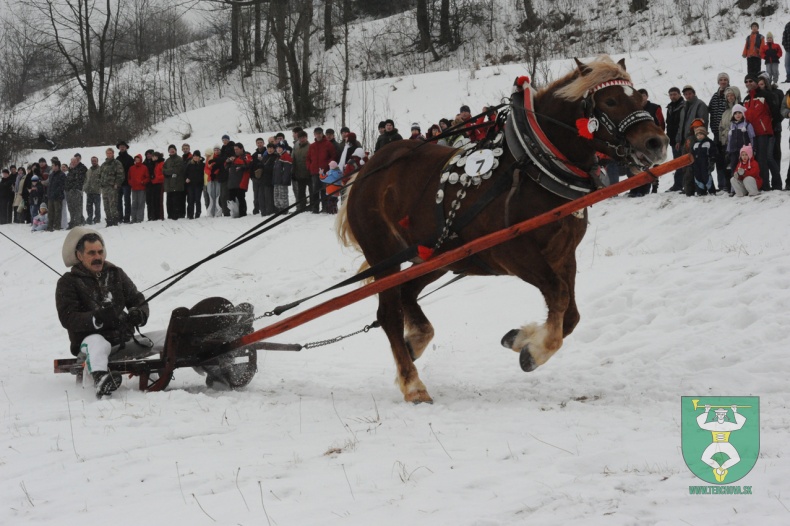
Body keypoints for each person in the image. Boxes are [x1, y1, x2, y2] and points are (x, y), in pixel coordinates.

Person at [55, 229, 150, 398]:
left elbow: (137, 299)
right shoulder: (67, 282)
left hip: (123, 340)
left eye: (100, 252)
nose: (97, 257)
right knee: (98, 342)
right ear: (79, 255)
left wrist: (139, 313)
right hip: (88, 344)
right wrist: (96, 318)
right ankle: (100, 379)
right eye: (91, 253)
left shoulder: (116, 274)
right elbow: (68, 317)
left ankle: (207, 363)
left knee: (165, 338)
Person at [742, 73, 774, 190]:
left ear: (756, 81)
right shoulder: (745, 99)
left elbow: (774, 112)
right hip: (750, 133)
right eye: (746, 81)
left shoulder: (765, 95)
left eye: (751, 81)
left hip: (763, 132)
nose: (748, 83)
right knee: (752, 159)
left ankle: (766, 184)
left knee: (762, 158)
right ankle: (757, 184)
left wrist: (769, 126)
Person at [305, 127, 336, 213]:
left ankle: (325, 207)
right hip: (315, 172)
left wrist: (328, 165)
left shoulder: (328, 144)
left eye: (320, 133)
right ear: (314, 134)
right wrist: (309, 166)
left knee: (324, 190)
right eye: (316, 133)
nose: (318, 135)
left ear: (322, 134)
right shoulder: (312, 146)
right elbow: (308, 158)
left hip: (325, 171)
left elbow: (333, 156)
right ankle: (315, 208)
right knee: (315, 190)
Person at [725, 104, 754, 190]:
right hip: (734, 151)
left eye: (739, 113)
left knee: (744, 168)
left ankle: (746, 188)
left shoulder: (747, 125)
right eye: (735, 113)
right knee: (734, 169)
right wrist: (728, 150)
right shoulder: (732, 126)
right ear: (733, 115)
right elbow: (729, 139)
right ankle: (734, 189)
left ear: (743, 114)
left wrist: (752, 149)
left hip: (744, 151)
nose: (738, 115)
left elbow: (752, 137)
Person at [665, 87, 685, 191]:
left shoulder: (683, 106)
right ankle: (678, 184)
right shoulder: (670, 107)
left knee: (683, 163)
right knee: (677, 163)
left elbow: (681, 124)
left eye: (675, 94)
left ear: (679, 94)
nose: (673, 96)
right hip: (673, 140)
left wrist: (679, 139)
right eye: (671, 94)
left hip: (681, 139)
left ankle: (682, 184)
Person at [100, 148, 125, 227]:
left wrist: (117, 183)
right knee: (106, 205)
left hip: (112, 187)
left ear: (113, 153)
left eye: (110, 153)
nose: (109, 154)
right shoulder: (104, 164)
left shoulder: (117, 163)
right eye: (107, 153)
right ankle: (109, 221)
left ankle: (114, 221)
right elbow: (100, 175)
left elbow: (121, 175)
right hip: (104, 187)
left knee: (112, 205)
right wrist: (100, 183)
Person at [226, 142, 252, 217]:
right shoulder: (233, 157)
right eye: (234, 149)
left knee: (240, 197)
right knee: (231, 198)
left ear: (242, 149)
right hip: (232, 181)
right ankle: (234, 213)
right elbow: (226, 165)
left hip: (241, 181)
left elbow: (248, 163)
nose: (235, 151)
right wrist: (228, 161)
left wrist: (235, 160)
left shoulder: (246, 155)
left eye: (237, 149)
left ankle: (242, 213)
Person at [690, 127, 716, 196]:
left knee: (707, 177)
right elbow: (691, 154)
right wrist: (691, 163)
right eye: (697, 135)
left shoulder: (709, 143)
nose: (699, 136)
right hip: (696, 164)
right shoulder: (695, 144)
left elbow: (713, 153)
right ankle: (701, 191)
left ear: (705, 134)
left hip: (705, 163)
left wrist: (712, 161)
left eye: (701, 134)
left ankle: (711, 190)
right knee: (698, 177)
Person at [163, 144, 185, 219]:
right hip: (169, 184)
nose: (171, 151)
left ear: (175, 150)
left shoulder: (179, 159)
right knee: (169, 201)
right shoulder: (167, 160)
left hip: (177, 184)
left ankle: (177, 215)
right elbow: (163, 170)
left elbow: (177, 170)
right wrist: (169, 172)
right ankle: (170, 215)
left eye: (173, 149)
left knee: (176, 201)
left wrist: (168, 171)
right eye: (170, 149)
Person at [65, 156, 86, 229]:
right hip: (69, 192)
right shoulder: (69, 172)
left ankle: (77, 222)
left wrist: (73, 188)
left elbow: (79, 181)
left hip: (76, 191)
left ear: (77, 162)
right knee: (71, 208)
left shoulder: (80, 170)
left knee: (77, 208)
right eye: (72, 162)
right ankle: (72, 221)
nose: (73, 163)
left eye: (74, 162)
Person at [127, 154, 149, 223]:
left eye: (138, 159)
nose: (137, 160)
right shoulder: (131, 168)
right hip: (134, 188)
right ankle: (133, 218)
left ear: (141, 160)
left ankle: (139, 219)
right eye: (136, 159)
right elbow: (129, 177)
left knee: (141, 203)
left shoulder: (144, 167)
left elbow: (147, 177)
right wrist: (131, 183)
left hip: (141, 188)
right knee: (134, 204)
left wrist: (143, 182)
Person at [115, 141, 133, 223]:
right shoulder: (117, 159)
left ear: (126, 148)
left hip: (126, 183)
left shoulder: (130, 158)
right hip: (118, 183)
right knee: (118, 202)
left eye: (123, 146)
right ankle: (119, 217)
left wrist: (130, 181)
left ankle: (127, 217)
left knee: (127, 201)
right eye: (120, 146)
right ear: (119, 148)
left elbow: (132, 171)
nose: (122, 148)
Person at [184, 150, 205, 219]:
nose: (195, 157)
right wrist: (186, 178)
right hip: (190, 185)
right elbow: (185, 173)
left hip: (198, 185)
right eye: (194, 156)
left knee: (197, 199)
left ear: (199, 157)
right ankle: (190, 214)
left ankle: (198, 213)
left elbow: (203, 175)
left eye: (197, 156)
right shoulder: (189, 164)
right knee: (190, 199)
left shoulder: (202, 165)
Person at [47, 158, 66, 231]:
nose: (52, 167)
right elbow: (49, 184)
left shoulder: (62, 175)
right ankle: (50, 226)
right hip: (50, 196)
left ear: (57, 166)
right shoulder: (51, 174)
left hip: (58, 197)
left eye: (53, 165)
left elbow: (61, 186)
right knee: (50, 213)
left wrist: (55, 193)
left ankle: (57, 226)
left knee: (57, 212)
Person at [83, 156, 102, 225]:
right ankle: (90, 218)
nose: (93, 162)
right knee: (89, 206)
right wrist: (85, 188)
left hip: (97, 191)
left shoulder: (100, 169)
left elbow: (102, 179)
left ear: (97, 161)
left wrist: (99, 185)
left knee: (97, 207)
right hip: (89, 191)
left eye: (95, 161)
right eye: (92, 161)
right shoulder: (89, 170)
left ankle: (97, 219)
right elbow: (86, 180)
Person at [272, 143, 291, 212]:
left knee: (283, 196)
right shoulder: (278, 157)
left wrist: (285, 180)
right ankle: (278, 208)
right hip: (277, 180)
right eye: (277, 148)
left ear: (283, 149)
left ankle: (284, 209)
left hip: (282, 181)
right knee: (276, 195)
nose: (278, 149)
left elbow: (287, 170)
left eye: (280, 148)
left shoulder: (286, 156)